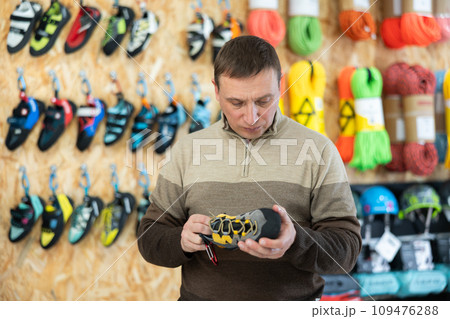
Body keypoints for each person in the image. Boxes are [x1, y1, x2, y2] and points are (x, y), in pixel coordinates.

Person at [138, 35, 361, 301]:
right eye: (237, 103)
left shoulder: (320, 150)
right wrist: (181, 241)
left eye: (263, 101)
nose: (252, 116)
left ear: (280, 86)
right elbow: (149, 238)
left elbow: (347, 250)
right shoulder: (187, 151)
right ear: (216, 91)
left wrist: (294, 242)